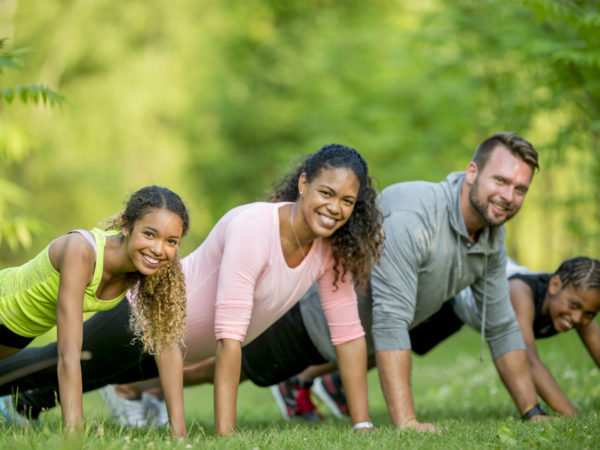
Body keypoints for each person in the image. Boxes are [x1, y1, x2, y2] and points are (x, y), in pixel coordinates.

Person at [99, 131, 548, 430]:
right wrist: (404, 420)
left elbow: (355, 331)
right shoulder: (417, 216)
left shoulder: (488, 238)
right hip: (271, 318)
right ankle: (127, 389)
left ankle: (135, 389)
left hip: (286, 329)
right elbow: (385, 320)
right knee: (219, 361)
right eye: (501, 181)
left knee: (227, 361)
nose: (509, 196)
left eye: (520, 189)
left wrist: (535, 411)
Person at [0, 143, 385, 436]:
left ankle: (21, 408)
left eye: (347, 201)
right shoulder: (255, 227)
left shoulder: (331, 250)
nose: (335, 207)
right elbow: (230, 336)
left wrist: (362, 424)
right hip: (139, 318)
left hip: (175, 347)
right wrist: (226, 434)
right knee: (58, 363)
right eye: (326, 193)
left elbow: (349, 335)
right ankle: (19, 397)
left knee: (91, 375)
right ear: (303, 183)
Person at [0, 185, 189, 432]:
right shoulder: (82, 251)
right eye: (150, 234)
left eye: (171, 241)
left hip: (18, 334)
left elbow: (167, 346)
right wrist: (74, 434)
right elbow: (68, 356)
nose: (158, 248)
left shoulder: (151, 270)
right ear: (126, 226)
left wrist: (180, 435)